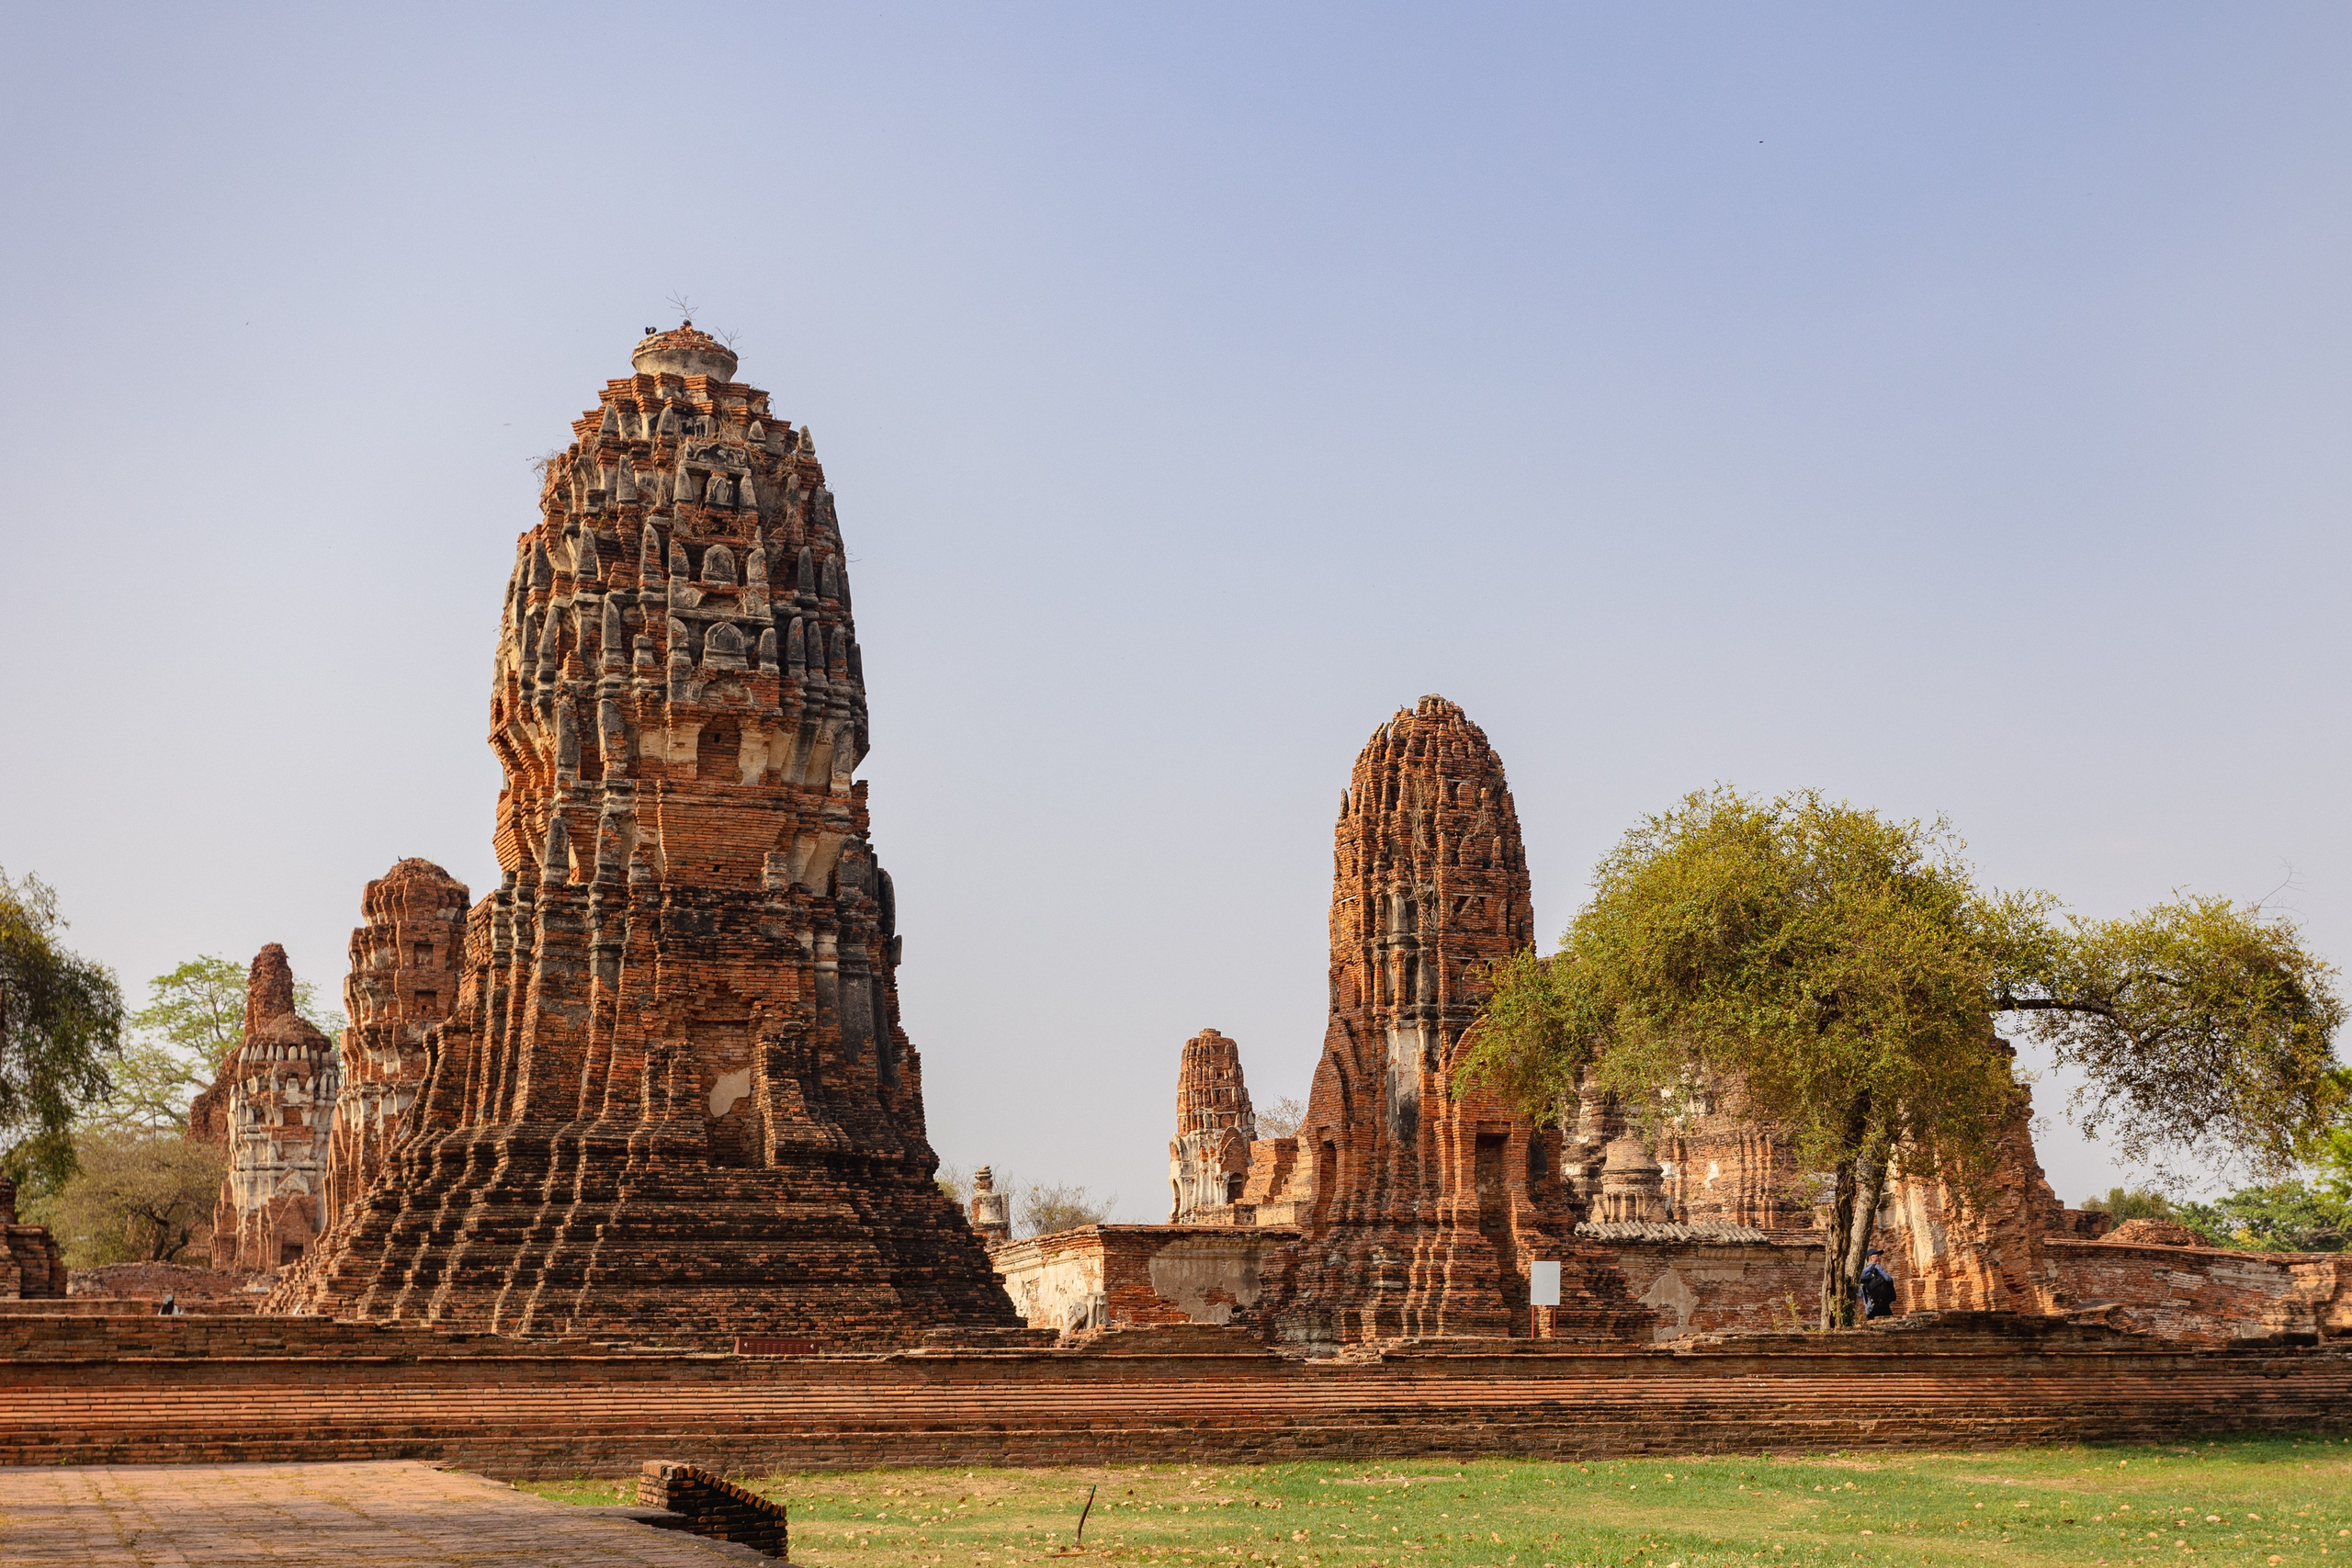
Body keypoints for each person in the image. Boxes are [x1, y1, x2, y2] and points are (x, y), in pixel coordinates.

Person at [1857, 1248, 1896, 1321]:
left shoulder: (1863, 1272)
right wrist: (1879, 1268)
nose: (1879, 1258)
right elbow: (1888, 1279)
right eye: (1877, 1256)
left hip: (1869, 1306)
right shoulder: (1876, 1267)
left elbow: (1860, 1293)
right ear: (1870, 1258)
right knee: (1889, 1324)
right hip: (1880, 1305)